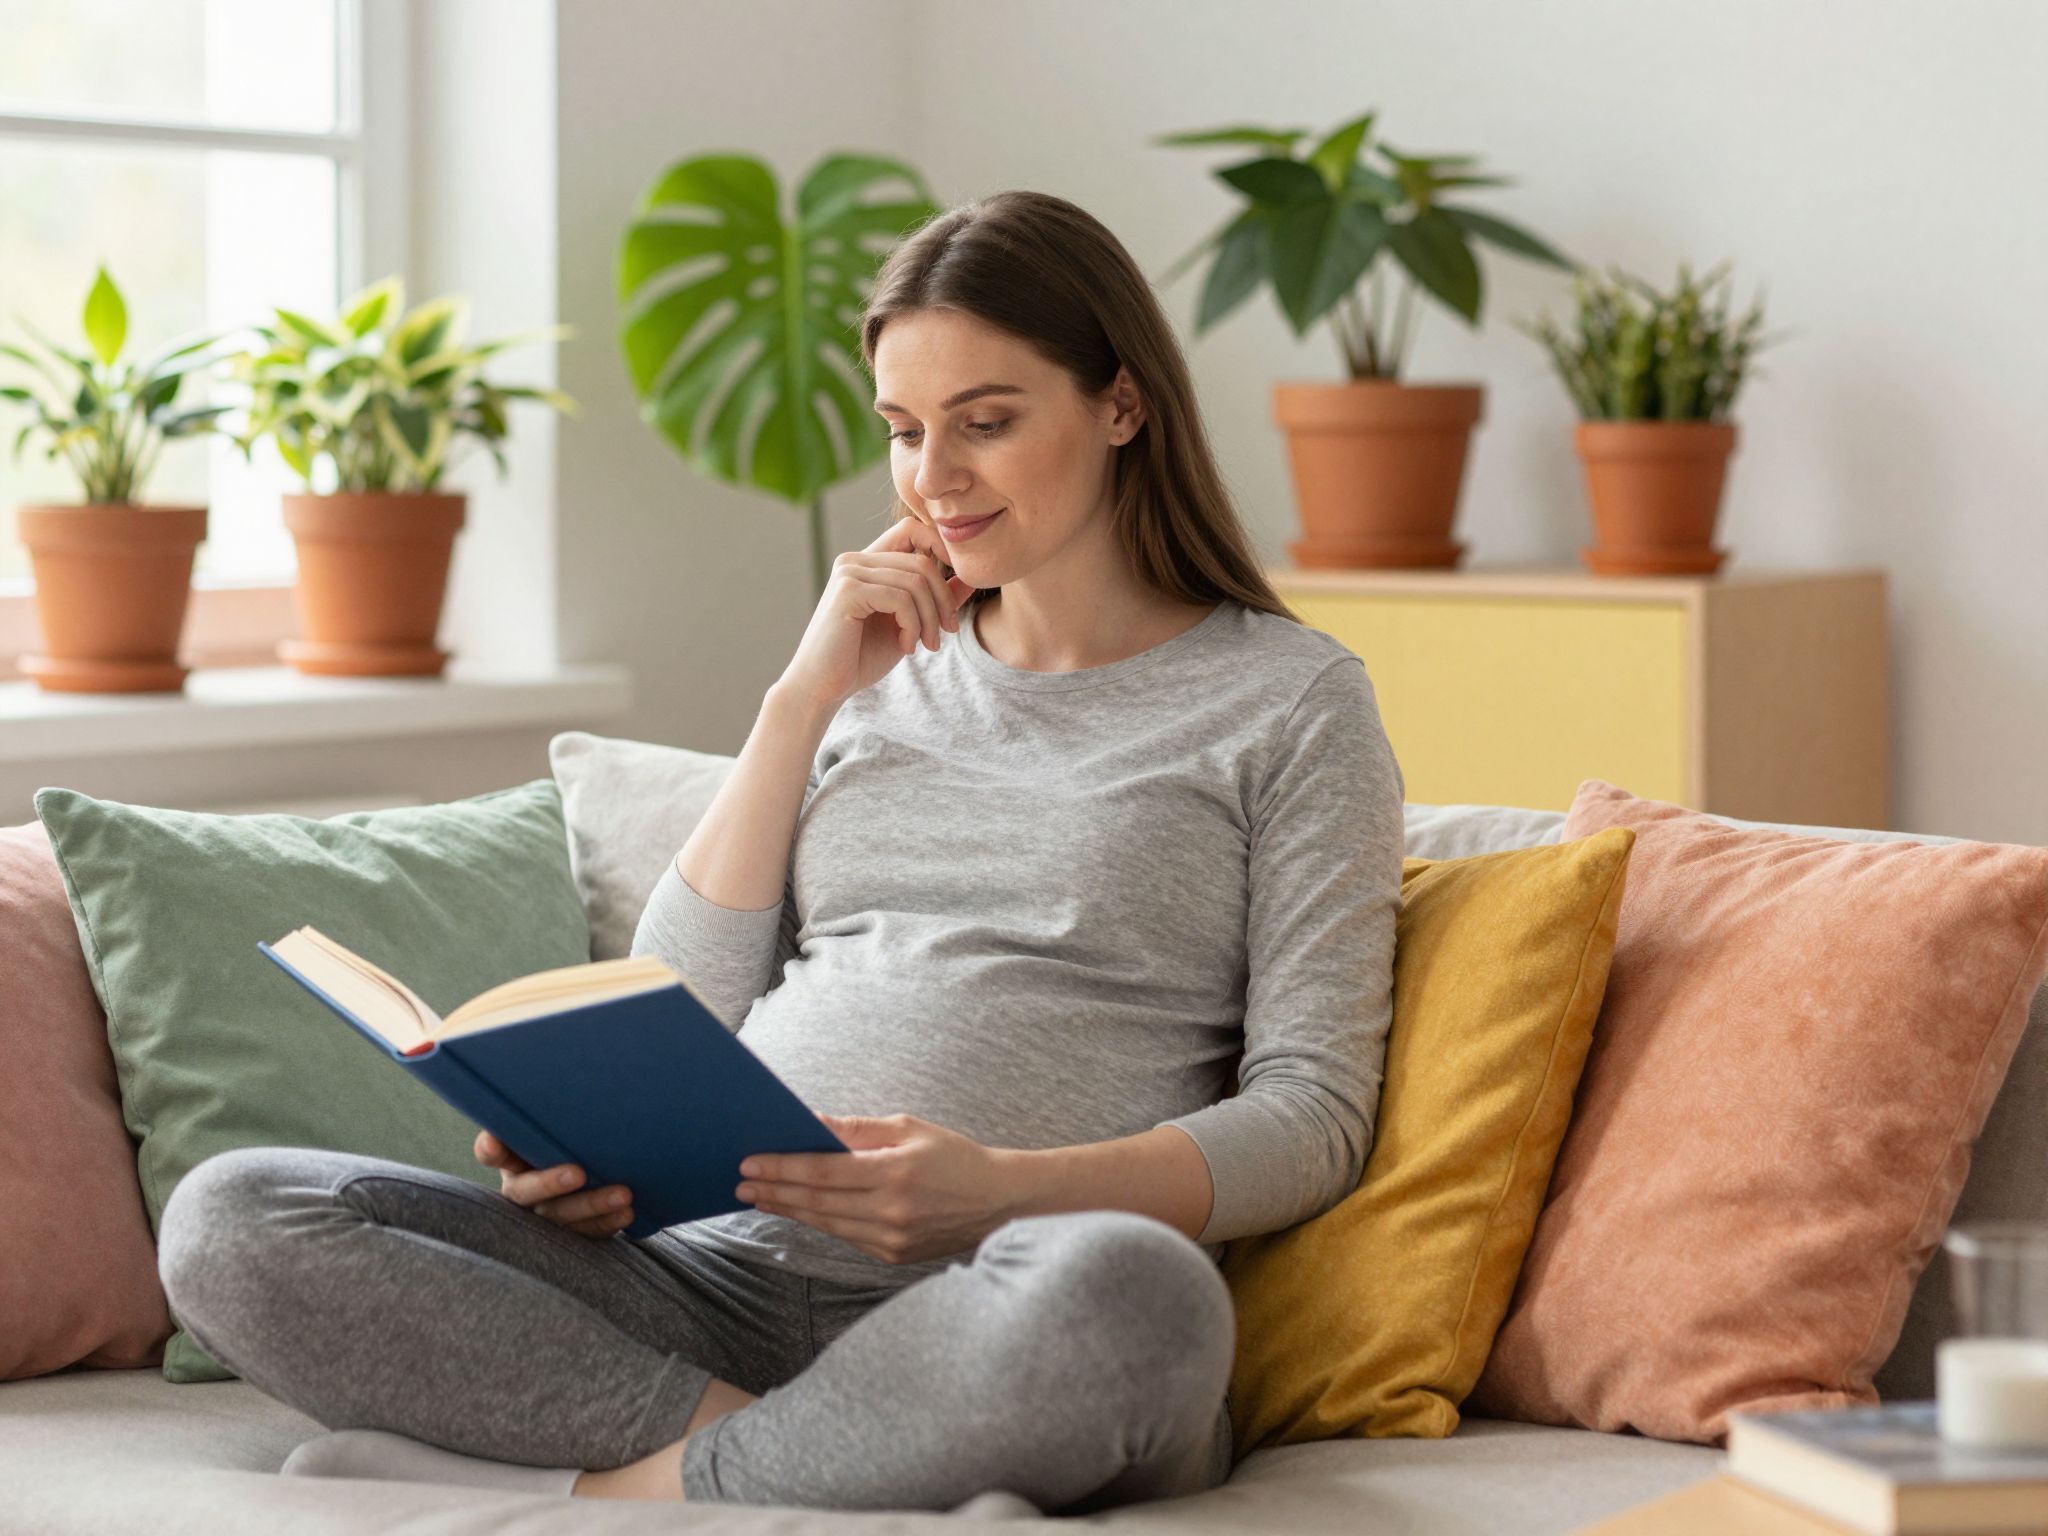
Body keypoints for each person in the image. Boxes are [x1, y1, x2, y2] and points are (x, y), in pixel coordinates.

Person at [153, 188, 1407, 1516]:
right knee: (235, 1220)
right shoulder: (865, 684)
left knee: (1136, 1303)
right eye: (906, 433)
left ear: (1122, 404)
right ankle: (763, 1462)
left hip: (1008, 1293)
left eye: (986, 423)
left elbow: (1313, 1118)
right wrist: (796, 702)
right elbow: (677, 1010)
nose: (934, 479)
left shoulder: (1292, 702)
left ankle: (625, 1484)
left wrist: (995, 1195)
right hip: (712, 1280)